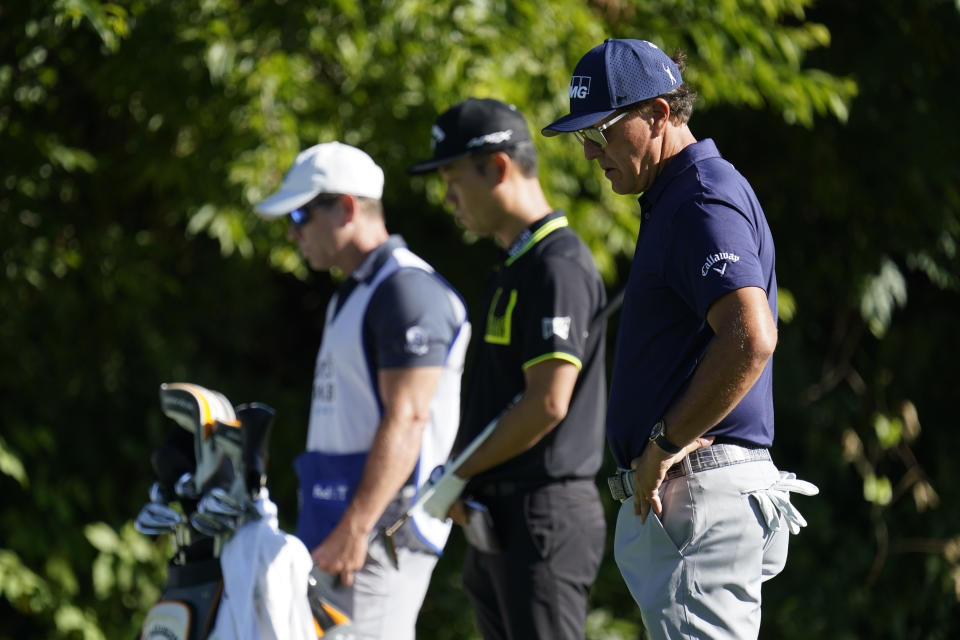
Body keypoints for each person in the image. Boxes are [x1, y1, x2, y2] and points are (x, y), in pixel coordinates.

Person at [542, 39, 818, 639]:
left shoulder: (699, 198)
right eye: (580, 138)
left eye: (602, 132)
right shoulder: (678, 196)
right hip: (701, 499)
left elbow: (751, 335)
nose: (590, 153)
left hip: (698, 495)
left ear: (660, 114)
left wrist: (664, 443)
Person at [406, 98, 608, 640]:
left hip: (543, 518)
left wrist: (459, 471)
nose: (448, 200)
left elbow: (547, 402)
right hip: (501, 520)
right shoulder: (517, 267)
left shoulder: (557, 266)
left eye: (452, 181)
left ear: (496, 168)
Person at [253, 141, 471, 640]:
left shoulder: (405, 290)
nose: (292, 231)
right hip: (346, 525)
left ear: (347, 208)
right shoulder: (355, 291)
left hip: (375, 533)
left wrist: (356, 528)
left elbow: (409, 418)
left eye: (302, 214)